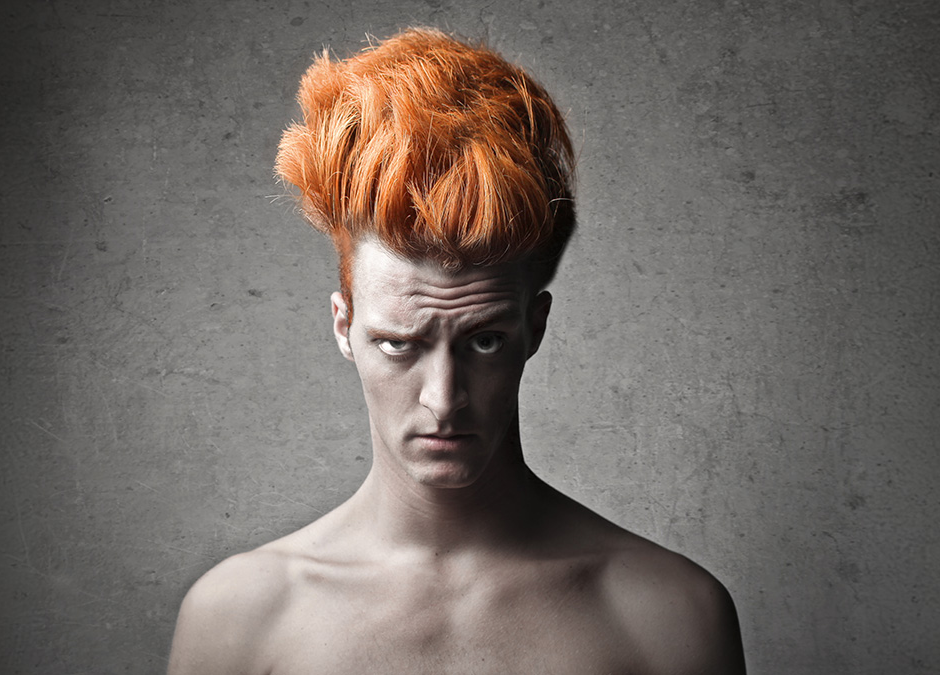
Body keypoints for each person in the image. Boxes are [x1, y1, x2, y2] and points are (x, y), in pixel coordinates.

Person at [167, 27, 745, 674]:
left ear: (536, 326)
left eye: (485, 339)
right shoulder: (240, 618)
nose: (444, 397)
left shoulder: (669, 616)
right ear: (343, 326)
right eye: (399, 343)